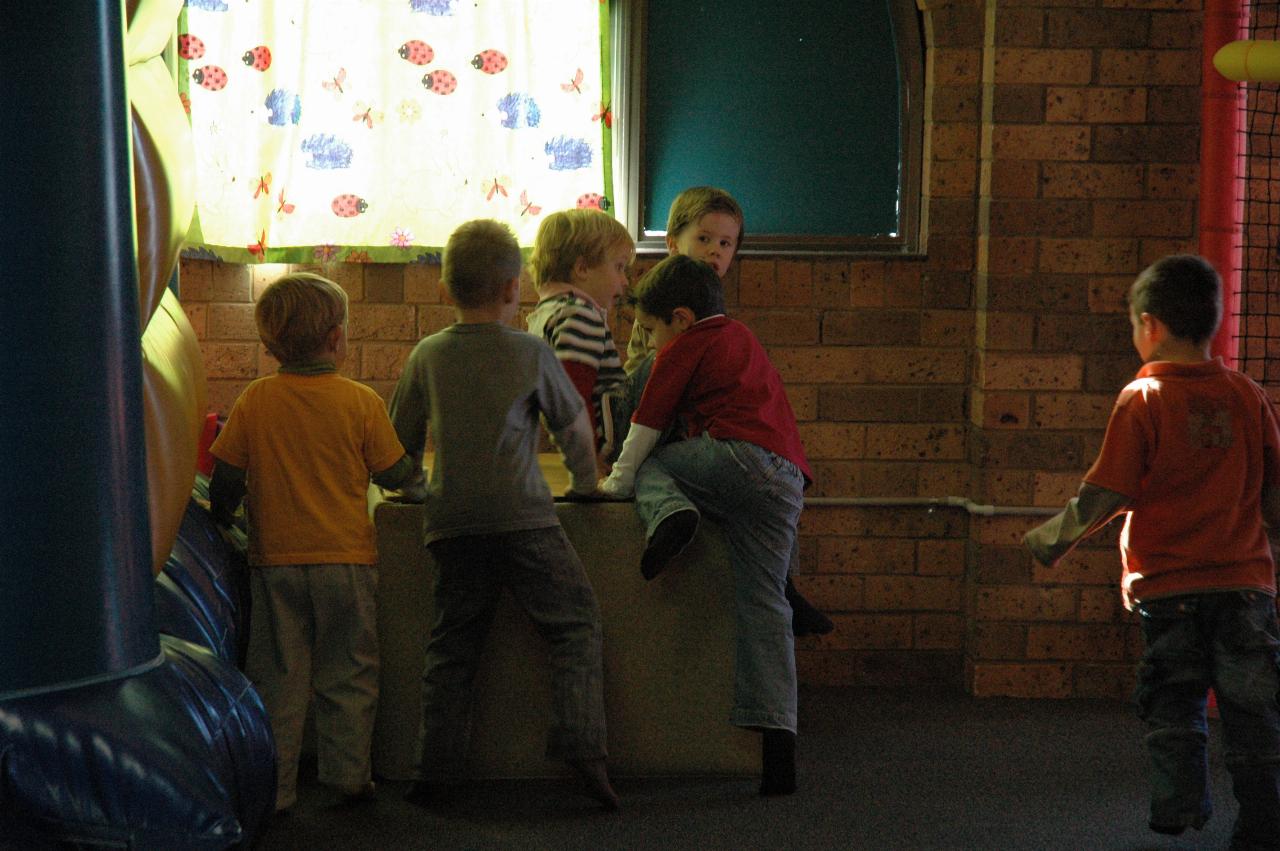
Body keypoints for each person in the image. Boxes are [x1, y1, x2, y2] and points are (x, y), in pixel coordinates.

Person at [1023, 254, 1280, 846]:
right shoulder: (1249, 395)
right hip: (1245, 588)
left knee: (1173, 700)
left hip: (1170, 588)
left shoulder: (1143, 398)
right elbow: (1274, 490)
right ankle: (1264, 817)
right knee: (1254, 707)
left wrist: (1049, 540)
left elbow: (1108, 490)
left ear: (1150, 325)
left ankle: (1179, 804)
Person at [387, 219, 619, 810]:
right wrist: (588, 486)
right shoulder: (531, 351)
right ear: (515, 288)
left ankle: (434, 771)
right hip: (524, 518)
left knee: (453, 647)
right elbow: (571, 427)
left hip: (452, 522)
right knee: (575, 623)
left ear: (445, 290)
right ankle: (581, 747)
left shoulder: (427, 355)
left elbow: (398, 443)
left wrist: (414, 489)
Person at [599, 254, 810, 796]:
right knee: (765, 607)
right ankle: (779, 749)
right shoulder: (743, 339)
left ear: (682, 319)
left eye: (650, 330)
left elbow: (647, 423)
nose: (649, 342)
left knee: (654, 464)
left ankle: (671, 517)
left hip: (739, 458)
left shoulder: (691, 343)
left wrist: (618, 485)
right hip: (786, 480)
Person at [208, 272, 416, 813]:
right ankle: (348, 774)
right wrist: (421, 482)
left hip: (275, 561)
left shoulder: (256, 399)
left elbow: (226, 471)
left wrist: (223, 515)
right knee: (349, 670)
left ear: (270, 345)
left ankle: (275, 789)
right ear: (337, 338)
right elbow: (393, 473)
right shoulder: (361, 402)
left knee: (279, 676)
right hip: (346, 561)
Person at [623, 185, 833, 637]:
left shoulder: (716, 316)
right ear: (671, 243)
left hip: (727, 440)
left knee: (771, 494)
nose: (714, 253)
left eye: (725, 244)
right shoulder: (661, 306)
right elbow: (645, 387)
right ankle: (671, 515)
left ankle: (785, 584)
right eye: (703, 240)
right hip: (676, 431)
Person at [526, 208, 634, 464]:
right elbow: (574, 395)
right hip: (612, 438)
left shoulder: (545, 313)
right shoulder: (579, 315)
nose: (625, 281)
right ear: (582, 268)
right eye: (619, 267)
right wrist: (590, 459)